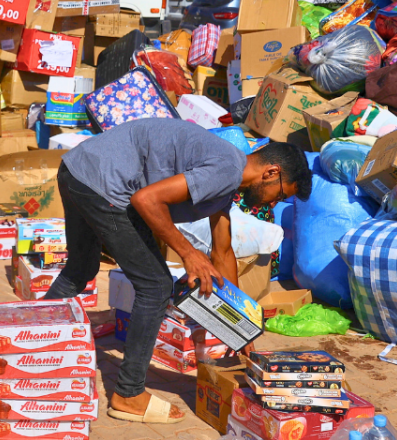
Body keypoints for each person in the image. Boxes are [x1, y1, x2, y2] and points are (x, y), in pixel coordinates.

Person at [44, 119, 311, 423]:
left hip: (77, 170)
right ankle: (128, 395)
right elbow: (145, 199)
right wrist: (188, 253)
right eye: (280, 194)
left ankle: (32, 342)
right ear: (271, 172)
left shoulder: (226, 179)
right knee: (156, 286)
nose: (274, 203)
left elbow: (223, 254)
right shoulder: (225, 171)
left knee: (81, 268)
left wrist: (243, 329)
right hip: (105, 185)